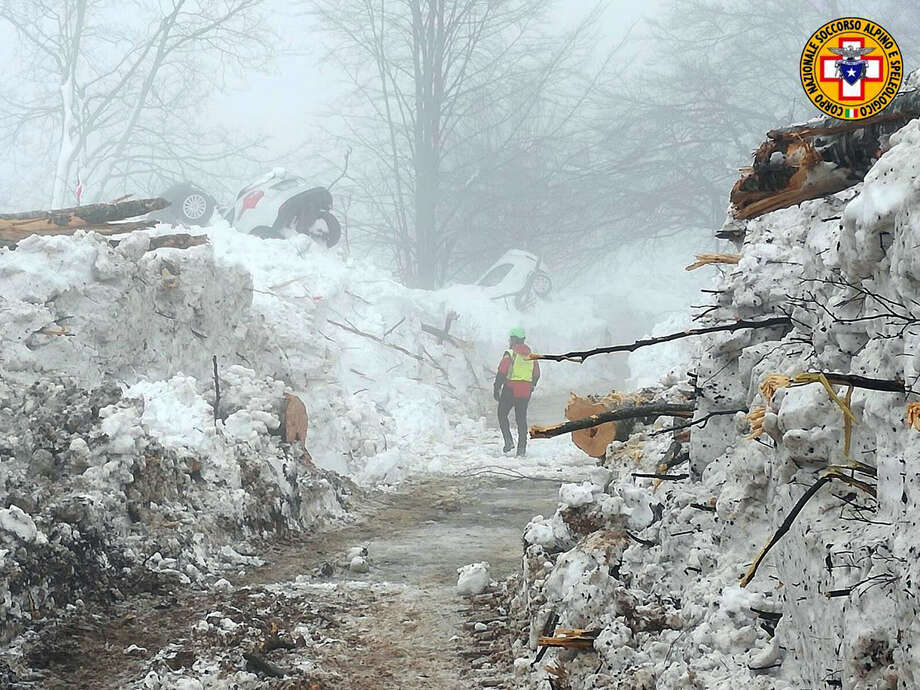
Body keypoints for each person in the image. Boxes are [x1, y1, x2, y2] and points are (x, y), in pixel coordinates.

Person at [493, 327, 540, 457]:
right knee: (521, 420)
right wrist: (531, 386)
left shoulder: (510, 353)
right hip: (525, 391)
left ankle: (508, 441)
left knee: (502, 413)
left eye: (510, 339)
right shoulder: (531, 356)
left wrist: (496, 388)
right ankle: (521, 450)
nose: (509, 341)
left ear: (514, 340)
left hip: (510, 388)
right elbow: (536, 374)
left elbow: (502, 372)